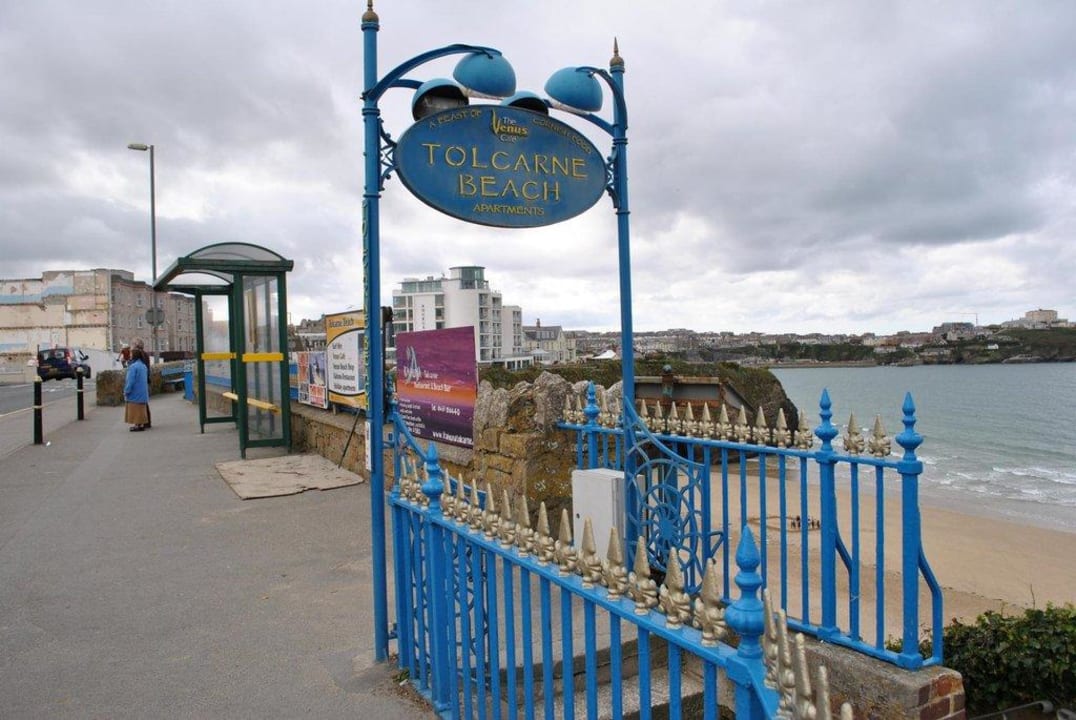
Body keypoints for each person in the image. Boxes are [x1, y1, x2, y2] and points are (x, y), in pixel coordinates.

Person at [124, 348, 150, 432]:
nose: (130, 355)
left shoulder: (133, 366)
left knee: (135, 410)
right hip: (143, 392)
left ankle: (137, 425)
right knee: (141, 410)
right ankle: (141, 424)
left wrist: (126, 391)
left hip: (135, 392)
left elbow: (130, 380)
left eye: (131, 354)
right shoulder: (143, 366)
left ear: (134, 355)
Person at [132, 337, 152, 428]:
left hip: (140, 381)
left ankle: (142, 421)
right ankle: (147, 422)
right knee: (144, 402)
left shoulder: (139, 355)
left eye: (133, 344)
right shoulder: (145, 354)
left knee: (140, 402)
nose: (132, 346)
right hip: (145, 379)